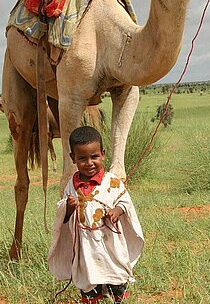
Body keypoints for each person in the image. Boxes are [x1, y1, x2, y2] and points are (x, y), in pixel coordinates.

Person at [48, 126, 144, 303]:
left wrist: (116, 211)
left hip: (110, 241)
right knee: (88, 275)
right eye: (82, 158)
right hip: (85, 245)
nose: (89, 163)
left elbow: (125, 203)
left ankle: (118, 296)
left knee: (115, 271)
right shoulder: (72, 185)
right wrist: (68, 207)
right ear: (73, 158)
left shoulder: (111, 181)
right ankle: (93, 297)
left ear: (103, 154)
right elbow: (64, 216)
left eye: (94, 157)